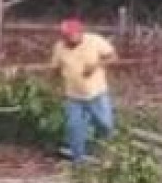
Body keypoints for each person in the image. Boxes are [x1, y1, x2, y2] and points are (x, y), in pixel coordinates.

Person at [50, 18, 118, 162]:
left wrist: (96, 66)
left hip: (97, 93)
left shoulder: (94, 41)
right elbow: (55, 69)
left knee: (105, 124)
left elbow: (113, 57)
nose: (67, 39)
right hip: (73, 96)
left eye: (70, 35)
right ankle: (78, 160)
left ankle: (105, 153)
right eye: (65, 36)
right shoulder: (59, 47)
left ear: (79, 33)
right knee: (74, 128)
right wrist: (53, 87)